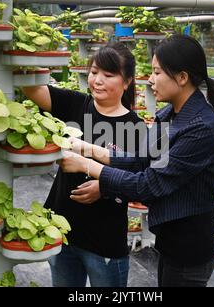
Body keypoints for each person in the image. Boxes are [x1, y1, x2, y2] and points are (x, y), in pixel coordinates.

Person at [59, 34, 214, 287]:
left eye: (157, 72)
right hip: (170, 244)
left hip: (189, 252)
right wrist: (90, 149)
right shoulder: (170, 115)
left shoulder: (199, 128)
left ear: (182, 77)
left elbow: (149, 184)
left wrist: (88, 166)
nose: (150, 79)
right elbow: (144, 160)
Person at [22, 42, 144, 287]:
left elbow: (140, 181)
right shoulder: (76, 104)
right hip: (63, 232)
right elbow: (30, 88)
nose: (97, 80)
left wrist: (105, 187)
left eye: (108, 75)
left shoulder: (135, 128)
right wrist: (27, 49)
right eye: (94, 72)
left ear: (127, 82)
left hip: (104, 240)